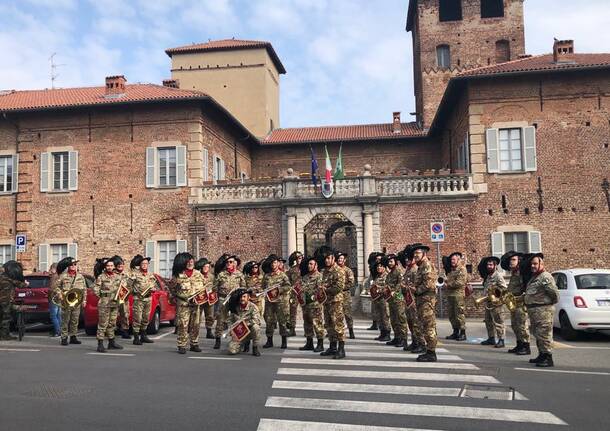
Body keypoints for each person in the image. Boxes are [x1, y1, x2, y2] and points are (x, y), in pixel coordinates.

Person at [524, 253, 559, 367]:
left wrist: (546, 304)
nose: (533, 266)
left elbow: (555, 294)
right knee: (538, 334)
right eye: (531, 264)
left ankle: (548, 358)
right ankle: (541, 355)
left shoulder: (545, 277)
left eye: (535, 264)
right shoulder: (535, 277)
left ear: (541, 264)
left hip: (543, 311)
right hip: (534, 312)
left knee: (544, 335)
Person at [170, 252, 206, 354]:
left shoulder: (198, 274)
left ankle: (194, 343)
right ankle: (181, 345)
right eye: (188, 261)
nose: (191, 263)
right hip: (184, 305)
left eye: (192, 261)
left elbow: (203, 287)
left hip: (196, 304)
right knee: (183, 325)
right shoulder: (178, 276)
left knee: (196, 324)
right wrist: (179, 297)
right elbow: (172, 289)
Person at [317, 246, 347, 359]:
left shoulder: (338, 271)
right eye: (325, 258)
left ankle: (341, 349)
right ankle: (332, 346)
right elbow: (323, 283)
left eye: (329, 258)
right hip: (327, 301)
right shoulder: (325, 271)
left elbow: (339, 287)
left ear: (333, 258)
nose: (327, 260)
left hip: (336, 302)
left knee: (337, 325)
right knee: (329, 325)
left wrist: (326, 289)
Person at [213, 254, 246, 350]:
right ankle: (218, 340)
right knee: (220, 320)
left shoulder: (239, 274)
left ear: (235, 264)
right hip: (223, 299)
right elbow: (215, 287)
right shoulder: (221, 274)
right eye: (227, 262)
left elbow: (243, 287)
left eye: (230, 262)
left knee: (237, 319)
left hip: (235, 299)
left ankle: (238, 339)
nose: (228, 264)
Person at [52, 257, 87, 346]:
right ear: (68, 266)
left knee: (75, 320)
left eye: (75, 264)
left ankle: (73, 337)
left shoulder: (80, 277)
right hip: (66, 301)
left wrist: (84, 300)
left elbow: (84, 289)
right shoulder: (63, 276)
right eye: (71, 264)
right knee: (65, 320)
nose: (73, 266)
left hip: (76, 301)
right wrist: (59, 294)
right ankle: (64, 337)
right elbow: (56, 287)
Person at [413, 244, 439, 362]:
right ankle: (428, 350)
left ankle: (431, 353)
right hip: (421, 300)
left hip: (427, 301)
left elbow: (429, 284)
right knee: (424, 325)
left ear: (424, 254)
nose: (415, 255)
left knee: (429, 326)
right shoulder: (421, 266)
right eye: (414, 254)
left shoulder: (427, 265)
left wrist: (416, 290)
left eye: (417, 253)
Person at [502, 251, 531, 355]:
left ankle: (526, 346)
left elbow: (526, 288)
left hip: (520, 303)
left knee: (522, 325)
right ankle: (519, 344)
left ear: (519, 261)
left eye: (513, 260)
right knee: (515, 325)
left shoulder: (522, 273)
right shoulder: (514, 273)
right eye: (510, 260)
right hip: (513, 303)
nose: (511, 262)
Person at [94, 258, 125, 353]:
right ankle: (100, 344)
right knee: (103, 323)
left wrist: (121, 297)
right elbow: (96, 289)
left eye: (111, 266)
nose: (109, 267)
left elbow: (123, 289)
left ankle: (111, 342)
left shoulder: (118, 277)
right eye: (108, 266)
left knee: (112, 323)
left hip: (115, 303)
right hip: (105, 303)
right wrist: (103, 297)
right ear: (105, 267)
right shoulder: (101, 277)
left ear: (114, 267)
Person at [399, 245, 426, 353]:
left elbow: (416, 286)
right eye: (405, 259)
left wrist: (405, 287)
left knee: (416, 323)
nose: (406, 261)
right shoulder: (408, 270)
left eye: (408, 259)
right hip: (408, 300)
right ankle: (415, 341)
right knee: (410, 322)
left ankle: (421, 343)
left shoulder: (415, 270)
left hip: (414, 300)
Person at [261, 254, 291, 349]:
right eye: (272, 263)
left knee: (282, 321)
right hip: (269, 302)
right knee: (269, 321)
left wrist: (279, 290)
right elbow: (263, 287)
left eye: (275, 262)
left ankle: (284, 341)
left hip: (280, 302)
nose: (273, 265)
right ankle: (269, 341)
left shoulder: (283, 275)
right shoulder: (266, 276)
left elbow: (288, 286)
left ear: (278, 263)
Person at [298, 256, 326, 352]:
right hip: (305, 304)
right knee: (307, 324)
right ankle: (309, 343)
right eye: (308, 264)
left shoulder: (320, 276)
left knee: (317, 323)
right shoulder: (305, 277)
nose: (309, 266)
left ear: (316, 265)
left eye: (311, 264)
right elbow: (301, 287)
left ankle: (320, 343)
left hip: (315, 304)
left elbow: (319, 289)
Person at [479, 256, 507, 348]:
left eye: (491, 265)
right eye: (488, 265)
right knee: (488, 321)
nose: (489, 266)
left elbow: (504, 288)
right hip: (488, 303)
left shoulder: (498, 276)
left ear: (495, 266)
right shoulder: (488, 276)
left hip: (496, 304)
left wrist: (495, 294)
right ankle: (491, 338)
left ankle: (501, 339)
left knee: (499, 321)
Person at [129, 255, 156, 346]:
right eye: (143, 264)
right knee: (137, 318)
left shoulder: (150, 274)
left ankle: (144, 336)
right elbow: (128, 286)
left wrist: (154, 289)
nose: (144, 265)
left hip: (148, 298)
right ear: (139, 265)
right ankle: (136, 338)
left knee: (146, 318)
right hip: (138, 299)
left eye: (146, 264)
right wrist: (135, 292)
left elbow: (153, 285)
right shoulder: (135, 274)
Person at [226, 288, 261, 357]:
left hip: (249, 331)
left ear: (248, 298)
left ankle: (255, 347)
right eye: (241, 297)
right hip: (239, 332)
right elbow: (230, 320)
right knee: (231, 351)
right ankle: (241, 344)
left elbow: (257, 320)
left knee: (256, 327)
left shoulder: (253, 307)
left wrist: (245, 323)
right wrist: (231, 329)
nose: (242, 299)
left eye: (244, 297)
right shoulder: (235, 307)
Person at [444, 252, 468, 341]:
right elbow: (448, 280)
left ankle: (462, 333)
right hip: (450, 294)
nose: (452, 261)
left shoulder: (462, 269)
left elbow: (460, 282)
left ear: (458, 260)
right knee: (451, 314)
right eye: (451, 260)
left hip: (458, 295)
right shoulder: (451, 270)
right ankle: (455, 331)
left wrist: (448, 284)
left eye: (453, 259)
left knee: (459, 314)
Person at [384, 254, 407, 348]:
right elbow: (387, 284)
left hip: (398, 298)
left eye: (391, 261)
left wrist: (394, 290)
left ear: (395, 262)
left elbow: (400, 283)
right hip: (391, 299)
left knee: (400, 318)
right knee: (393, 319)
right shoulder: (389, 274)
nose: (390, 263)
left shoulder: (399, 271)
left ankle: (403, 339)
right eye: (388, 262)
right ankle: (397, 337)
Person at [0, 261, 27, 341]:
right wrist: (26, 284)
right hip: (6, 301)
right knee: (6, 318)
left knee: (1, 317)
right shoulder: (9, 279)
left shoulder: (1, 277)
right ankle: (5, 335)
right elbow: (20, 284)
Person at [111, 255, 131, 340]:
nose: (120, 266)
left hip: (123, 297)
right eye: (119, 265)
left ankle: (125, 331)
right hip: (114, 297)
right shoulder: (112, 274)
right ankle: (112, 331)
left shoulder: (126, 275)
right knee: (113, 315)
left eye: (122, 265)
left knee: (125, 314)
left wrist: (128, 291)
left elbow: (130, 285)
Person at [194, 258, 216, 339]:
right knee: (197, 316)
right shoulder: (197, 275)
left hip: (209, 299)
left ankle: (209, 331)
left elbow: (215, 286)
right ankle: (196, 332)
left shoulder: (212, 276)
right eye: (205, 266)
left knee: (210, 315)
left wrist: (213, 292)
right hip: (200, 298)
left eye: (207, 266)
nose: (206, 268)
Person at [336, 252, 356, 339]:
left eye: (341, 258)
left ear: (344, 260)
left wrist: (342, 287)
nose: (340, 260)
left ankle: (351, 331)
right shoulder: (334, 270)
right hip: (336, 295)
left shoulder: (348, 270)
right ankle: (335, 331)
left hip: (345, 295)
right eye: (339, 258)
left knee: (347, 314)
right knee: (336, 313)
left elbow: (351, 283)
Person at [287, 251, 303, 337]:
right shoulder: (292, 269)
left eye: (300, 258)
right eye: (297, 259)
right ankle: (292, 329)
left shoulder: (306, 268)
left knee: (307, 311)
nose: (298, 260)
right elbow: (288, 281)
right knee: (292, 311)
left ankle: (309, 330)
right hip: (294, 293)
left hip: (304, 292)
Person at [46, 262, 61, 337]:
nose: (49, 270)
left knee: (53, 315)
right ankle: (60, 330)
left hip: (53, 298)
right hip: (59, 298)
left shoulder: (53, 277)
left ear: (54, 269)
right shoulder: (59, 276)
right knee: (58, 315)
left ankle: (58, 331)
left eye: (51, 268)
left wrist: (49, 292)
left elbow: (52, 288)